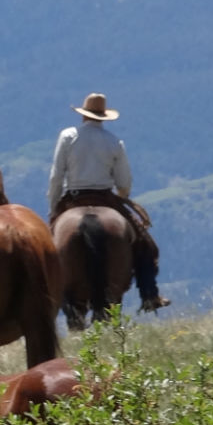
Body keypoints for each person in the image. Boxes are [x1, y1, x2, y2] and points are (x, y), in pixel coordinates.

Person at [47, 92, 170, 312]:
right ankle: (150, 294)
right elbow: (124, 182)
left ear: (83, 115)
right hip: (105, 198)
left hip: (72, 198)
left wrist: (54, 207)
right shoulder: (114, 142)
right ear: (103, 117)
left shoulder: (67, 136)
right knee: (146, 245)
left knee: (45, 248)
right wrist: (121, 196)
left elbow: (56, 176)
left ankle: (42, 297)